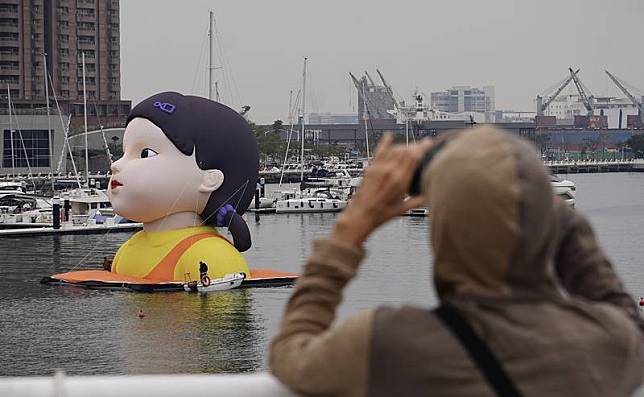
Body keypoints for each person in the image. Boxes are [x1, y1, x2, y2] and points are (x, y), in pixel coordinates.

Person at [270, 126, 644, 396]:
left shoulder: (392, 343)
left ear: (445, 226)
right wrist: (534, 196)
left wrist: (351, 228)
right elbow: (623, 311)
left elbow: (290, 354)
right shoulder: (608, 344)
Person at [107, 92, 258, 282]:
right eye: (124, 153)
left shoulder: (211, 256)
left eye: (145, 153)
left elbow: (225, 311)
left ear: (209, 179)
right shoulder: (129, 249)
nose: (116, 165)